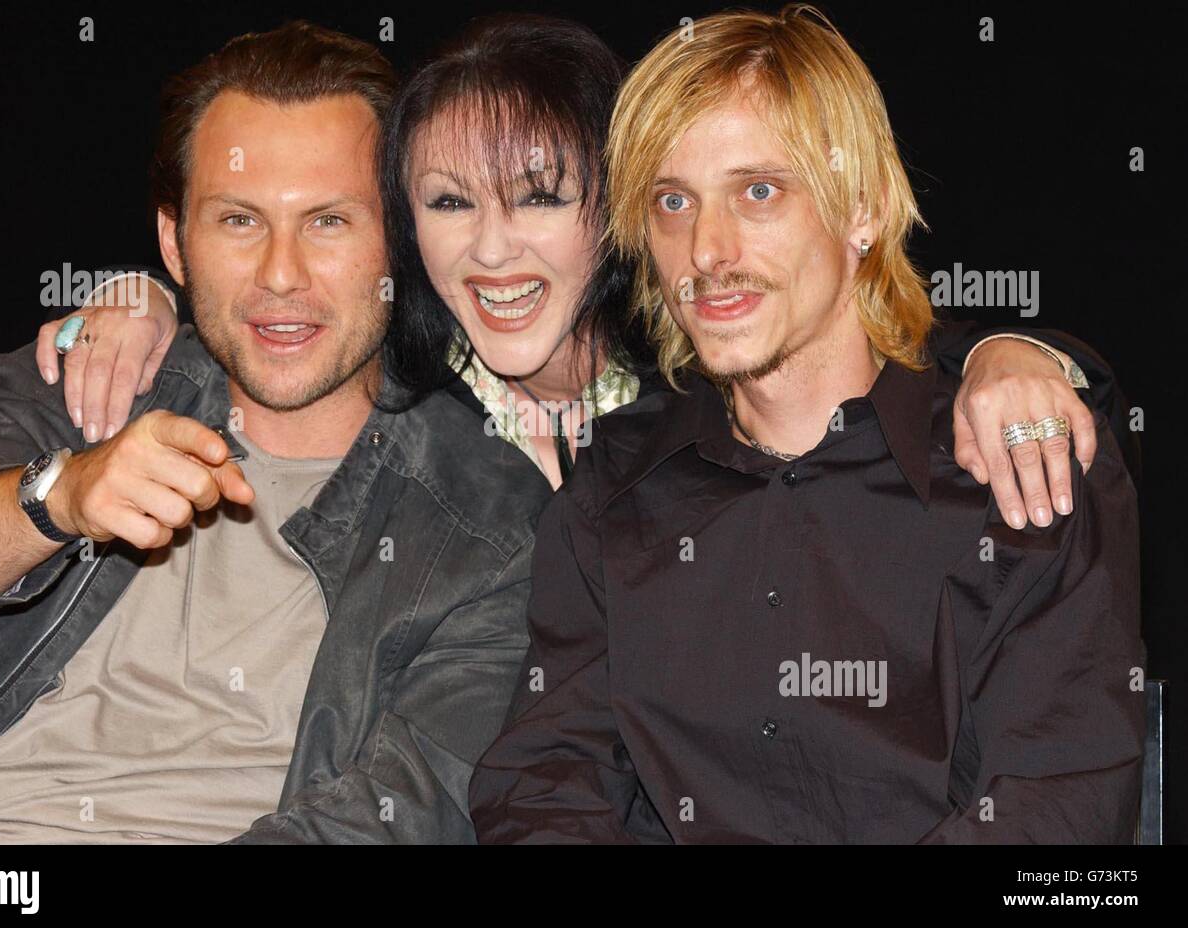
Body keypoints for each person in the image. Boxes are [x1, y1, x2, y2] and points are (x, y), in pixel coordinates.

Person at [467, 5, 1144, 843]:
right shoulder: (615, 489)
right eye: (673, 200)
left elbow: (1058, 811)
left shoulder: (1018, 463)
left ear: (860, 208)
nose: (707, 250)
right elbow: (545, 783)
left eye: (759, 191)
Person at [44, 14, 1114, 532]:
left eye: (542, 196)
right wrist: (147, 295)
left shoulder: (710, 363)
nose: (493, 248)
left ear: (617, 208)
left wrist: (1020, 353)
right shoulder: (383, 395)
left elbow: (869, 342)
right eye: (449, 202)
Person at [0, 22, 550, 844]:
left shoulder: (488, 518)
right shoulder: (95, 369)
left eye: (329, 221)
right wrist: (62, 494)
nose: (282, 274)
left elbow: (408, 810)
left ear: (401, 240)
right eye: (240, 220)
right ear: (175, 241)